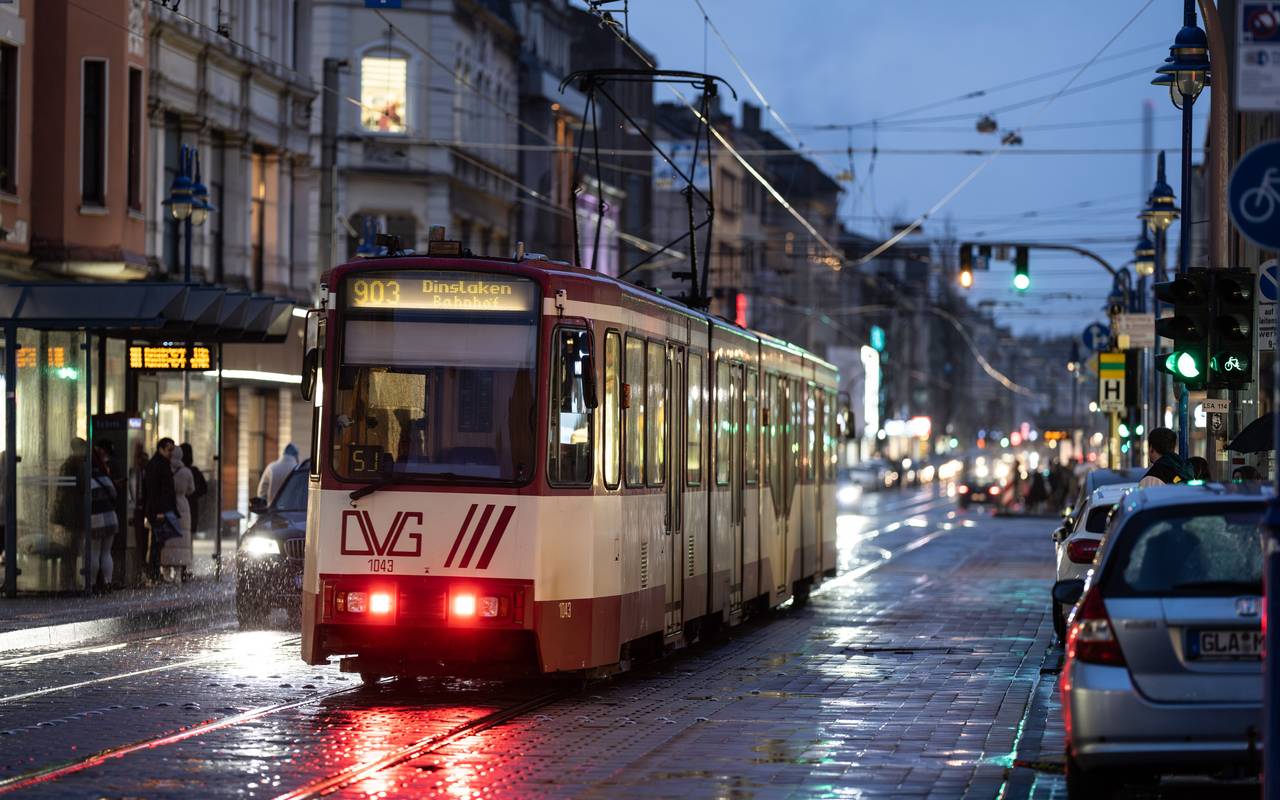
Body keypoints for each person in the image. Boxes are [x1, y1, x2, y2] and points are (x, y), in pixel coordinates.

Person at [142, 438, 177, 582]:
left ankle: (155, 573)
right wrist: (159, 511)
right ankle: (154, 573)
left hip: (160, 509)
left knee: (159, 542)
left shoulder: (160, 463)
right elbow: (155, 491)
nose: (171, 453)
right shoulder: (158, 465)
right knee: (156, 543)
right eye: (169, 449)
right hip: (159, 511)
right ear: (161, 448)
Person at [162, 446, 195, 582]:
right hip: (182, 505)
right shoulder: (186, 472)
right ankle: (178, 573)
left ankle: (166, 572)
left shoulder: (165, 469)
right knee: (182, 538)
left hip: (167, 504)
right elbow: (191, 489)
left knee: (168, 539)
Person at [88, 446, 118, 592]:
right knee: (106, 552)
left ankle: (92, 583)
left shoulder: (86, 476)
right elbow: (114, 494)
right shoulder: (103, 475)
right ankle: (107, 582)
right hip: (110, 517)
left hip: (95, 518)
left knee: (94, 552)